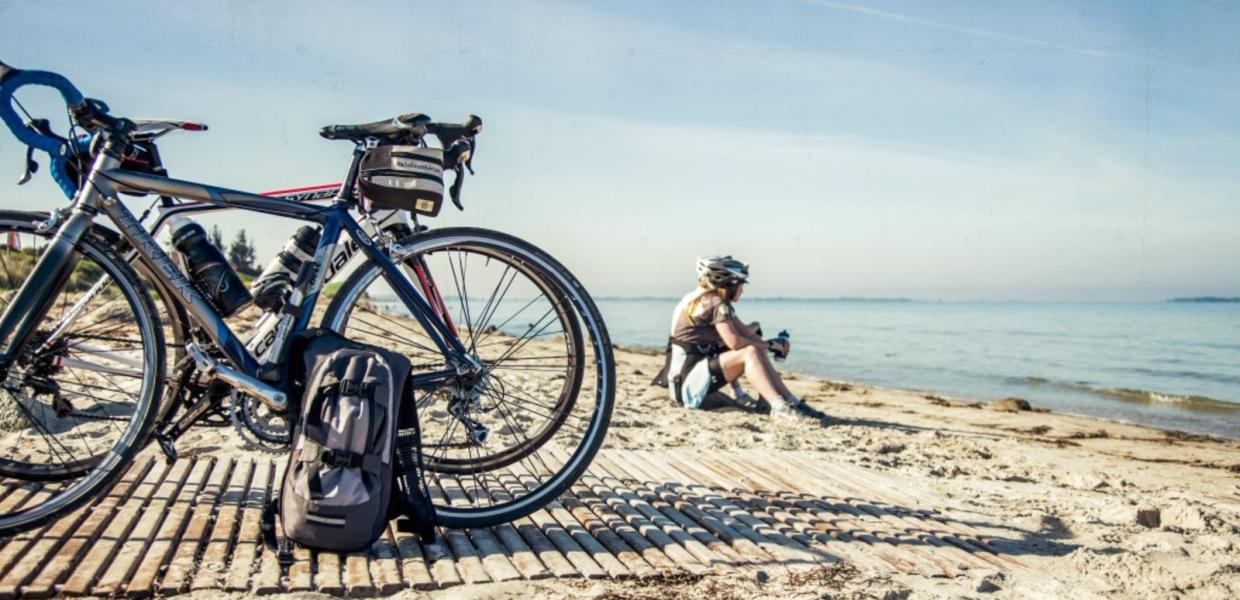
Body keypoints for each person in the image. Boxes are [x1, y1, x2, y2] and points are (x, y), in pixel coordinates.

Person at [655, 255, 804, 418]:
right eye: (741, 284)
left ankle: (787, 401)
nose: (742, 290)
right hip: (687, 384)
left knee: (754, 344)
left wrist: (764, 336)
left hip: (686, 377)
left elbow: (744, 332)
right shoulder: (716, 303)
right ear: (729, 284)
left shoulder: (708, 299)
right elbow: (735, 342)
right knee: (750, 352)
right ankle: (780, 407)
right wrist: (771, 346)